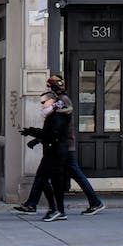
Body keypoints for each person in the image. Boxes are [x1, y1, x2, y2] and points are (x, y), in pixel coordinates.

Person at [14, 75, 106, 216]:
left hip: (63, 146)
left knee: (51, 175)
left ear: (54, 87)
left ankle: (45, 207)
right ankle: (33, 204)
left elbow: (57, 125)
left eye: (49, 86)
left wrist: (39, 136)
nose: (47, 89)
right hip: (61, 145)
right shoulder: (60, 100)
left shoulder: (62, 101)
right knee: (46, 175)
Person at [23, 93, 72, 221]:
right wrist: (34, 135)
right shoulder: (53, 114)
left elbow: (51, 134)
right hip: (53, 151)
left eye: (43, 102)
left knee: (46, 179)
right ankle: (58, 210)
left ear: (52, 101)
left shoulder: (57, 115)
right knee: (48, 180)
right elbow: (49, 134)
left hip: (56, 152)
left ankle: (54, 209)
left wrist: (32, 131)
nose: (41, 105)